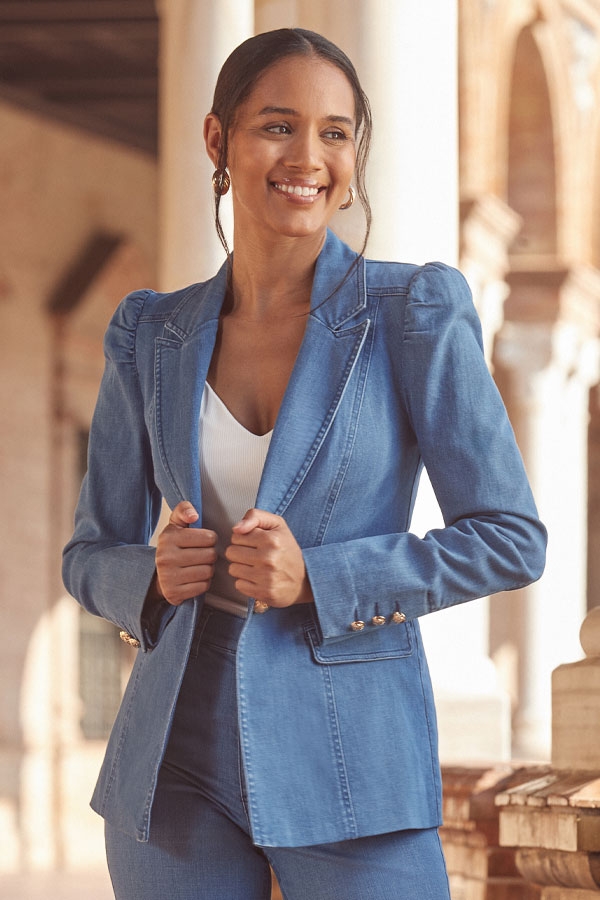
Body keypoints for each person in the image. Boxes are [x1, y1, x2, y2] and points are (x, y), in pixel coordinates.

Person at [63, 27, 547, 900]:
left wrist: (320, 577)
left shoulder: (412, 310)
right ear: (219, 141)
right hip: (170, 766)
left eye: (335, 133)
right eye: (278, 126)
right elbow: (88, 552)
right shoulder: (149, 333)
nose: (309, 158)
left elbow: (511, 538)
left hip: (351, 756)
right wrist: (148, 575)